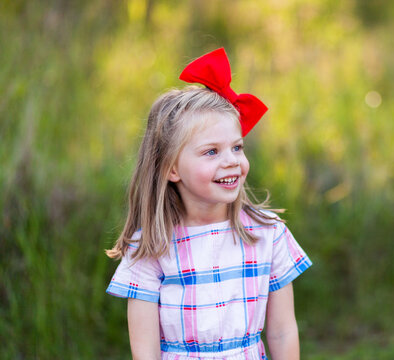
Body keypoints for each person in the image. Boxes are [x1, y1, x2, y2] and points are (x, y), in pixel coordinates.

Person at [105, 48, 312, 360]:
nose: (231, 161)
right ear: (171, 169)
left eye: (237, 147)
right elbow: (144, 350)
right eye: (211, 152)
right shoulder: (152, 245)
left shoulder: (268, 233)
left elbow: (282, 331)